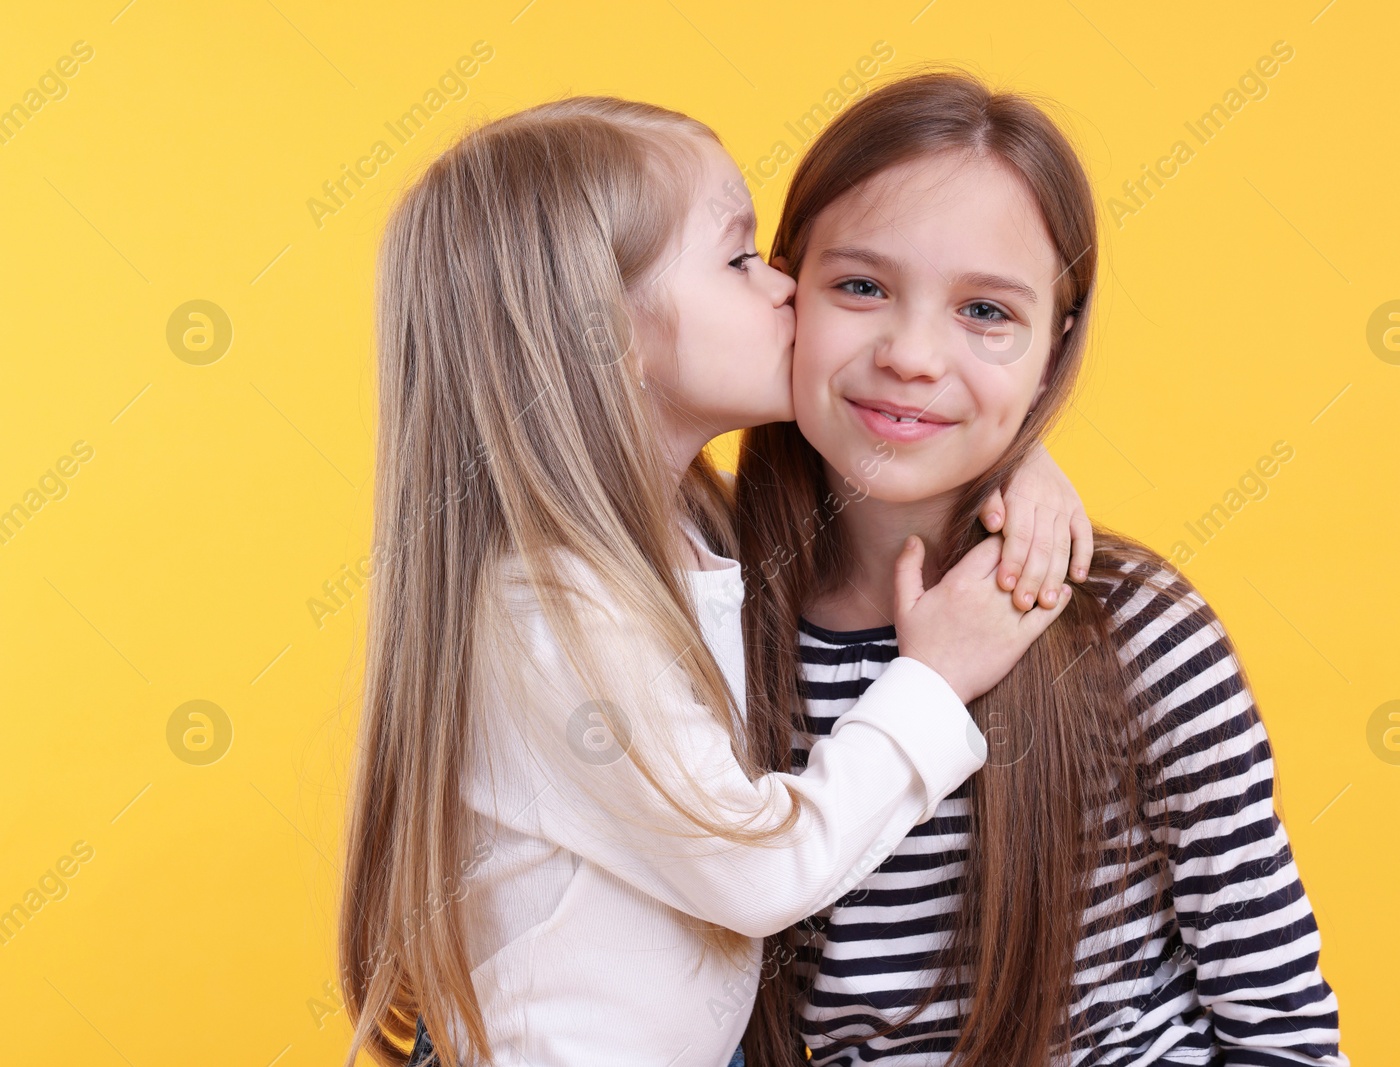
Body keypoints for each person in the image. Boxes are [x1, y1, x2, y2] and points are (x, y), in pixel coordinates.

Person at [339, 95, 1096, 1067]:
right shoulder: (551, 614)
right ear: (608, 333)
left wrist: (1004, 458)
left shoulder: (682, 531)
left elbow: (888, 461)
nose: (784, 286)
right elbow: (757, 867)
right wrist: (935, 678)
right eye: (739, 259)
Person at [736, 71, 1348, 1066]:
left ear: (1053, 348)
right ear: (782, 293)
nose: (913, 355)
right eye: (860, 286)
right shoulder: (700, 619)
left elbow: (1281, 1027)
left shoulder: (1134, 629)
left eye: (985, 311)